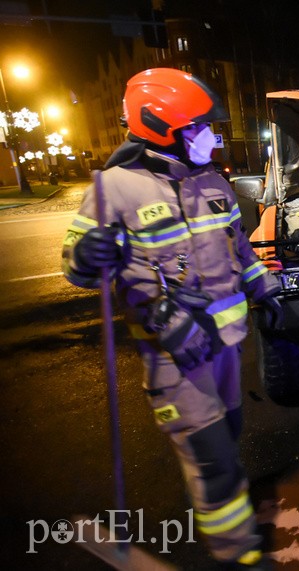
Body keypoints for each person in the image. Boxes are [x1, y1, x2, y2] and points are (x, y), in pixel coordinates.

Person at [61, 68, 284, 569]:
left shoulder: (211, 182)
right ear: (163, 128)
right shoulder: (112, 189)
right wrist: (86, 255)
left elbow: (238, 247)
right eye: (201, 127)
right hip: (176, 361)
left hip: (224, 349)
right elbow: (77, 266)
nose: (213, 136)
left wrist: (261, 284)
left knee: (227, 444)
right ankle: (238, 555)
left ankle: (225, 516)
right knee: (215, 465)